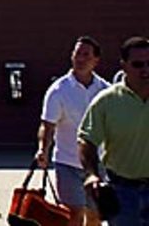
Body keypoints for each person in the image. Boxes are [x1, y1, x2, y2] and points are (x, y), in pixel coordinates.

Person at [36, 37, 109, 226]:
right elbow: (48, 125)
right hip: (67, 163)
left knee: (95, 216)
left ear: (96, 60)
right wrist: (43, 149)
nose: (80, 59)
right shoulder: (58, 90)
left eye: (86, 55)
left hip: (97, 164)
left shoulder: (105, 90)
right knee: (72, 215)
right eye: (77, 54)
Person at [79, 36, 149, 226]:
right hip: (122, 191)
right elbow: (87, 140)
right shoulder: (107, 101)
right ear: (124, 66)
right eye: (138, 64)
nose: (146, 69)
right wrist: (91, 174)